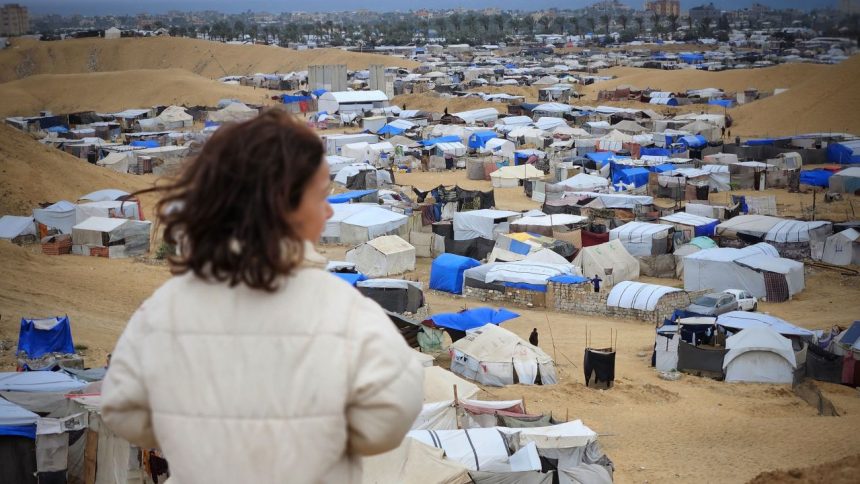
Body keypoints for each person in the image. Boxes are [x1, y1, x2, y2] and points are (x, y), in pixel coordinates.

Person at [101, 110, 423, 484]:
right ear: (283, 204)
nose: (330, 209)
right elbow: (393, 413)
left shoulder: (165, 308)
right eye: (321, 196)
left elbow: (122, 408)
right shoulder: (342, 308)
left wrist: (193, 431)